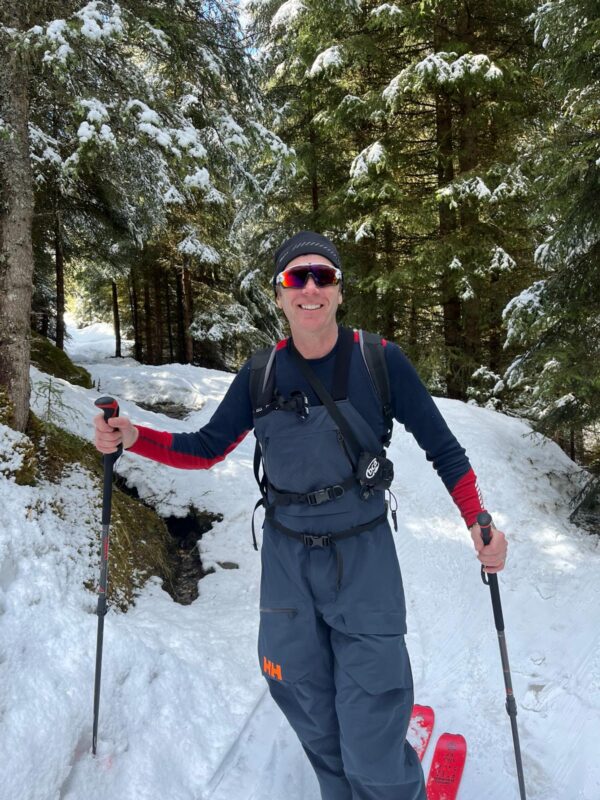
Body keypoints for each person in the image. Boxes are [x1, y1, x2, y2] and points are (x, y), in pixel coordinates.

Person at [94, 230, 507, 800]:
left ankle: (387, 782)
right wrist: (133, 436)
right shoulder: (261, 374)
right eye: (297, 277)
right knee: (302, 695)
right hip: (288, 562)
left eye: (323, 276)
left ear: (339, 291)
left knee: (371, 715)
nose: (310, 287)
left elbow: (445, 450)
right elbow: (207, 446)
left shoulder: (379, 361)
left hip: (363, 559)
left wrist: (477, 521)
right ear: (280, 293)